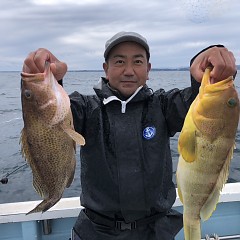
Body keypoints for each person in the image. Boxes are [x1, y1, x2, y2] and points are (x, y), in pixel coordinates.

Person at [22, 31, 236, 240]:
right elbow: (48, 116)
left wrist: (208, 62)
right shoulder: (85, 109)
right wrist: (41, 80)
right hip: (96, 231)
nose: (129, 70)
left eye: (137, 62)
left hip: (156, 230)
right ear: (106, 69)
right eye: (119, 62)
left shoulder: (163, 106)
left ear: (148, 69)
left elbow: (205, 104)